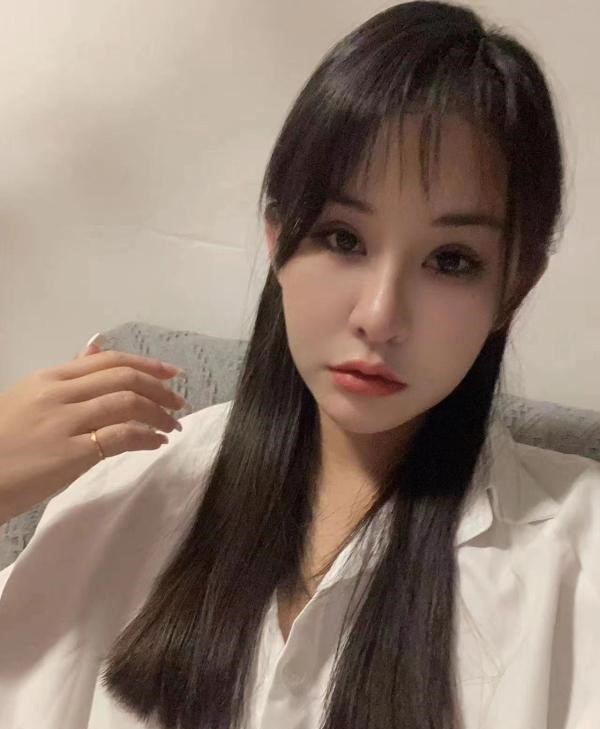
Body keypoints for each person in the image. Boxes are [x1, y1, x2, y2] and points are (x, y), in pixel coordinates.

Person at [1, 1, 599, 728]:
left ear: (514, 286)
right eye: (343, 238)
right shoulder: (136, 484)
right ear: (278, 239)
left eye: (451, 260)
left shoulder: (578, 563)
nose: (379, 315)